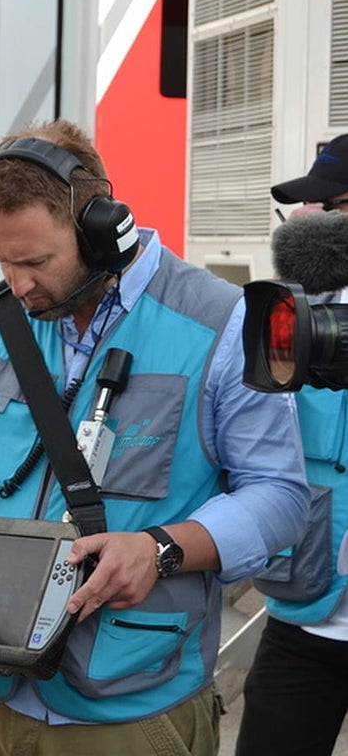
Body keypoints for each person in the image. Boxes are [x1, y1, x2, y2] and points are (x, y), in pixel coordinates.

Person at [0, 119, 310, 756]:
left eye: (36, 262)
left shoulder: (221, 324)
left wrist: (161, 548)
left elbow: (281, 498)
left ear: (103, 226)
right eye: (2, 260)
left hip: (129, 706)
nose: (17, 285)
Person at [235, 135, 348, 756]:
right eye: (307, 210)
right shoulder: (294, 314)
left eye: (330, 207)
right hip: (305, 613)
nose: (310, 224)